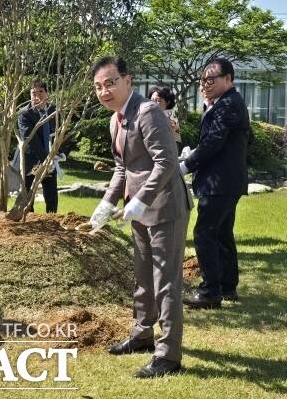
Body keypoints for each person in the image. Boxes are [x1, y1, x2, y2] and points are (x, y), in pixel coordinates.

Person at [89, 56, 192, 378]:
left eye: (110, 83)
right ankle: (143, 334)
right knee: (143, 277)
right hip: (139, 210)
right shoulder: (115, 119)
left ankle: (168, 355)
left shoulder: (148, 112)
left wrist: (140, 201)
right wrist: (107, 203)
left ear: (128, 80)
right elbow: (123, 167)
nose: (104, 91)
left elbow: (166, 163)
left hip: (165, 208)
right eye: (98, 87)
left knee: (166, 283)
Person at [180, 58, 251, 309]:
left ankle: (210, 292)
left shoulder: (229, 104)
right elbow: (219, 139)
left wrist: (186, 165)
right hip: (226, 181)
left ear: (229, 79)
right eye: (202, 81)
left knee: (204, 233)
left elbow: (213, 143)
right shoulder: (224, 103)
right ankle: (227, 286)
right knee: (221, 233)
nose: (205, 84)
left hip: (220, 183)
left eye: (211, 79)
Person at [17, 79, 62, 213]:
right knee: (27, 192)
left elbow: (57, 131)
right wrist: (45, 160)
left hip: (50, 158)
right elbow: (30, 138)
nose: (36, 96)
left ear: (47, 93)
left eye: (40, 92)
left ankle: (52, 221)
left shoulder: (53, 110)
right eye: (33, 93)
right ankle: (28, 221)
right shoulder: (24, 113)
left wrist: (58, 152)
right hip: (31, 160)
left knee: (51, 194)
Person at [148, 85, 181, 153]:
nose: (154, 103)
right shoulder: (156, 114)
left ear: (167, 102)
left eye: (158, 100)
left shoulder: (169, 117)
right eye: (152, 100)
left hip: (165, 153)